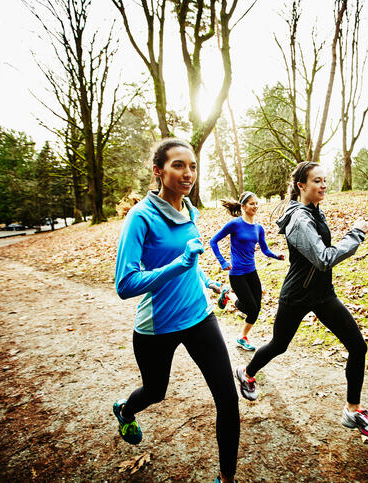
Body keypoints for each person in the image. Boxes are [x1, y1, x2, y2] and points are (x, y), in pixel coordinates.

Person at [113, 139, 240, 483]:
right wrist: (178, 264)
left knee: (228, 400)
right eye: (178, 165)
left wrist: (212, 284)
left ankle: (226, 479)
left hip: (199, 317)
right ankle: (125, 410)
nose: (188, 173)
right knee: (155, 391)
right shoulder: (141, 217)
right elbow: (124, 284)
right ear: (158, 171)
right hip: (157, 327)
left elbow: (192, 262)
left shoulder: (190, 211)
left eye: (193, 166)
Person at [234, 161, 368, 438]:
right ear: (301, 186)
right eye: (317, 181)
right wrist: (356, 234)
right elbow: (324, 257)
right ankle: (247, 371)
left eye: (325, 180)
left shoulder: (315, 211)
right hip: (298, 296)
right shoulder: (300, 219)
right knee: (279, 345)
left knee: (357, 346)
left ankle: (353, 410)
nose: (323, 185)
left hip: (322, 294)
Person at [209, 191, 285, 351]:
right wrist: (222, 261)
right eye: (252, 203)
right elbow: (213, 241)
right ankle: (227, 295)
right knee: (251, 307)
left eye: (257, 203)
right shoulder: (235, 224)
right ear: (243, 206)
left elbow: (264, 250)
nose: (255, 206)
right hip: (237, 274)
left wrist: (276, 256)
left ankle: (242, 337)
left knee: (256, 308)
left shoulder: (259, 228)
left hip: (251, 272)